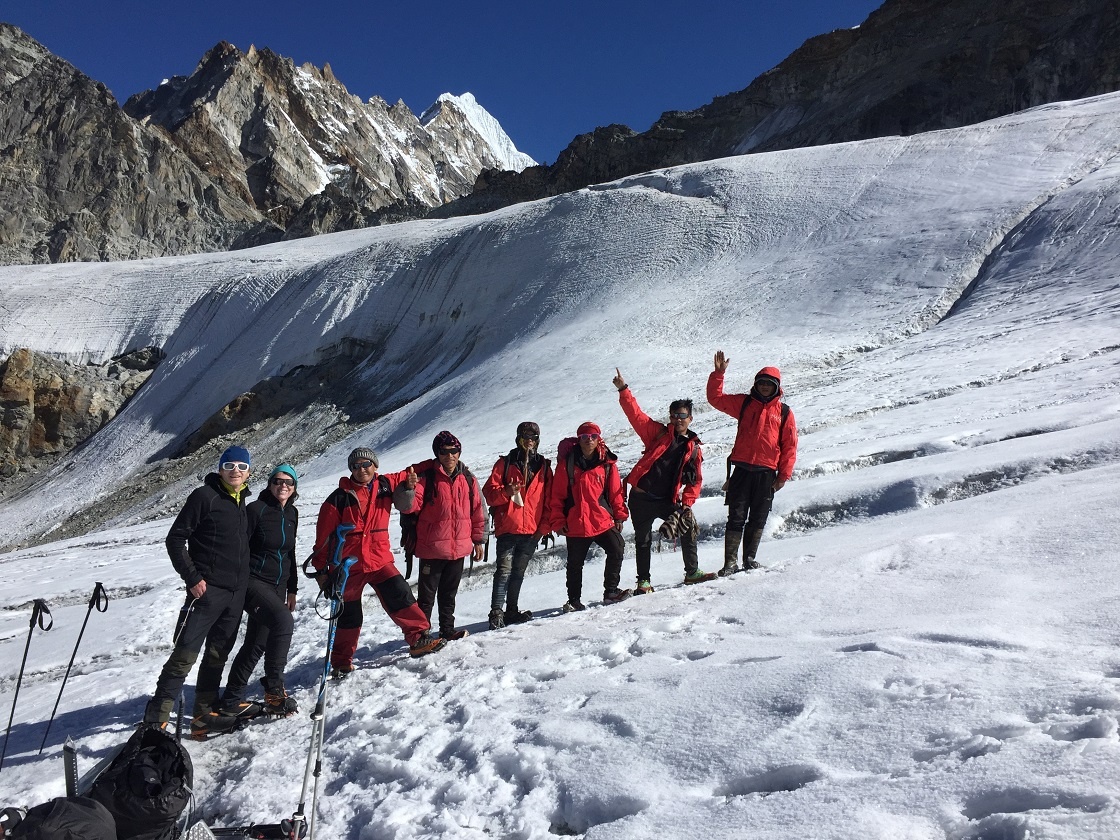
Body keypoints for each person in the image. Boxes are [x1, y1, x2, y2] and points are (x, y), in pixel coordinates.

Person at [143, 446, 255, 736]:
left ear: (249, 472)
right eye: (229, 465)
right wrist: (192, 578)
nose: (236, 470)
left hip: (234, 595)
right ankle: (157, 718)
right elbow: (175, 539)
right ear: (220, 469)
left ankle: (203, 716)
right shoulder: (204, 497)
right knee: (184, 655)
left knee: (218, 655)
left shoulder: (241, 499)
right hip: (206, 592)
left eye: (242, 466)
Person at [312, 447, 444, 676]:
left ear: (375, 466)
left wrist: (434, 463)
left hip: (379, 559)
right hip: (348, 565)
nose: (362, 469)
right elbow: (323, 538)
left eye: (366, 465)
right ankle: (342, 661)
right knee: (348, 614)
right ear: (351, 469)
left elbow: (410, 471)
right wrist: (322, 570)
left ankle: (419, 639)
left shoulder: (385, 485)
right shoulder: (338, 498)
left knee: (401, 595)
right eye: (356, 466)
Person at [612, 369, 714, 592]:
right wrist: (623, 389)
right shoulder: (656, 433)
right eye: (675, 415)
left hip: (665, 500)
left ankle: (692, 572)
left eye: (682, 416)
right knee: (643, 540)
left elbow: (695, 480)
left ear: (690, 418)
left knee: (687, 525)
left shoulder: (693, 448)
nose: (678, 420)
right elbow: (636, 415)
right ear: (670, 417)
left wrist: (687, 503)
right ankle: (644, 581)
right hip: (640, 497)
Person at [215, 464, 300, 718]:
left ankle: (231, 698)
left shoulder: (292, 513)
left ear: (294, 487)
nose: (282, 485)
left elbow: (290, 554)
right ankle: (274, 690)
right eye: (277, 481)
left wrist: (292, 589)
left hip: (279, 585)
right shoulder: (256, 510)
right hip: (253, 582)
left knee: (256, 642)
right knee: (283, 621)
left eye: (288, 482)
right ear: (269, 483)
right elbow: (238, 549)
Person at [706, 351, 798, 574]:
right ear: (756, 385)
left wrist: (783, 476)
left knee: (758, 518)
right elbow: (715, 399)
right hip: (742, 470)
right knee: (735, 517)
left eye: (770, 384)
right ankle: (730, 563)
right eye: (762, 383)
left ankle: (749, 559)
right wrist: (719, 374)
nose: (765, 387)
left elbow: (790, 445)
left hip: (766, 473)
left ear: (777, 387)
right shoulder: (744, 404)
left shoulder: (784, 413)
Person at [394, 432, 487, 641]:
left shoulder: (468, 479)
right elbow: (407, 507)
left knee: (449, 594)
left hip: (459, 547)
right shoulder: (426, 478)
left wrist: (479, 539)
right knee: (426, 597)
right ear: (437, 453)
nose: (450, 456)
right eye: (445, 452)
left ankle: (447, 629)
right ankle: (421, 635)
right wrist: (409, 488)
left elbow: (478, 510)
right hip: (432, 548)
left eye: (454, 451)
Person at [548, 422, 630, 611]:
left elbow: (616, 492)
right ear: (579, 440)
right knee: (575, 564)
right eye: (584, 437)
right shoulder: (566, 465)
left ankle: (610, 591)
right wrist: (558, 521)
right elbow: (557, 496)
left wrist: (619, 516)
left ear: (598, 437)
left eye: (593, 436)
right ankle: (574, 600)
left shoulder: (607, 464)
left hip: (600, 520)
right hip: (576, 523)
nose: (589, 440)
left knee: (617, 548)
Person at [482, 421, 554, 630]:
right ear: (518, 438)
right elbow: (489, 493)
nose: (529, 441)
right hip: (508, 528)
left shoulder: (544, 466)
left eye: (533, 438)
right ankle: (497, 612)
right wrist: (505, 492)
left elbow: (550, 500)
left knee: (518, 572)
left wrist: (543, 528)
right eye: (526, 437)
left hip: (532, 530)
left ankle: (511, 611)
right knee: (504, 571)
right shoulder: (505, 463)